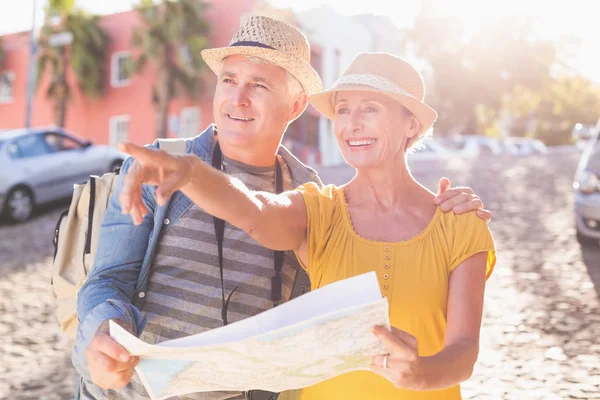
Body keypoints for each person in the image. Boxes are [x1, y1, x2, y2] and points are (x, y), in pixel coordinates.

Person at [74, 16, 491, 400]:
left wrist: (423, 373)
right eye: (343, 110)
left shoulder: (442, 220)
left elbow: (463, 351)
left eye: (370, 109)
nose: (352, 123)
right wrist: (189, 173)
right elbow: (254, 212)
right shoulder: (317, 207)